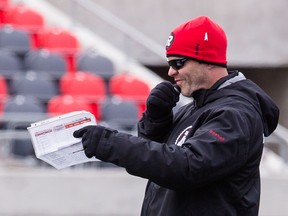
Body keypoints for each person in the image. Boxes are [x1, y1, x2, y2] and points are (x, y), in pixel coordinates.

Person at [73, 16, 279, 216]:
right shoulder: (195, 108)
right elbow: (155, 163)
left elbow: (187, 167)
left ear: (208, 60)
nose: (171, 72)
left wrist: (109, 143)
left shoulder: (235, 114)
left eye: (178, 63)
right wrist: (155, 120)